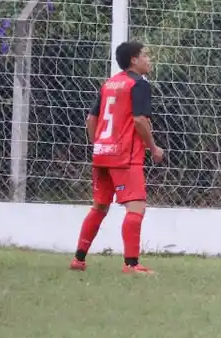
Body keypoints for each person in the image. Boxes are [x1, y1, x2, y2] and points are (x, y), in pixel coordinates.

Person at [71, 41, 165, 274]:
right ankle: (131, 264)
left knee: (99, 207)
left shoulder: (110, 84)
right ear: (134, 59)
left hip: (102, 155)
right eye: (145, 55)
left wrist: (99, 144)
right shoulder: (139, 84)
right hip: (125, 156)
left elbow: (91, 120)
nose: (149, 59)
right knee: (136, 207)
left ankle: (79, 260)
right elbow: (140, 120)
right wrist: (153, 148)